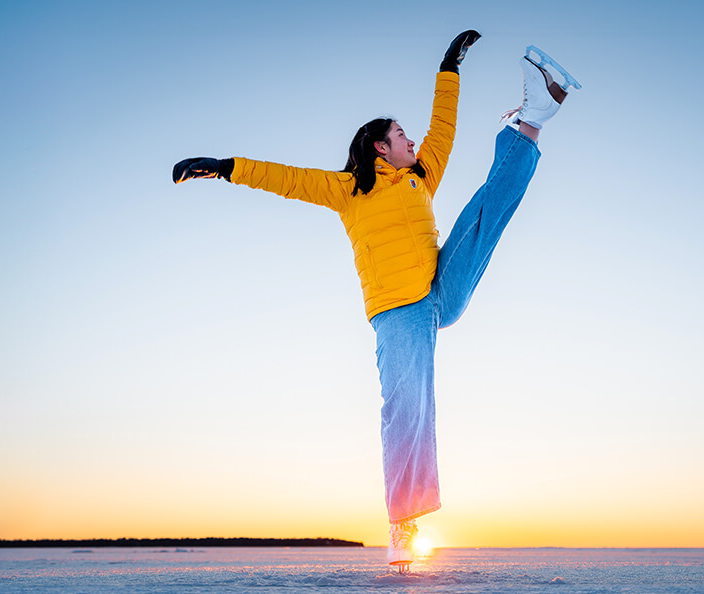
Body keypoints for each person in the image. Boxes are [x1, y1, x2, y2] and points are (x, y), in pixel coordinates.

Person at [171, 30, 580, 572]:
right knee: (405, 412)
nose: (413, 142)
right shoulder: (348, 189)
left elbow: (444, 128)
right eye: (401, 135)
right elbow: (285, 180)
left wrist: (449, 67)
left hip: (441, 288)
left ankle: (533, 115)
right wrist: (224, 166)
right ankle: (403, 525)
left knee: (484, 211)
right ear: (377, 147)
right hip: (399, 314)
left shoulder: (420, 177)